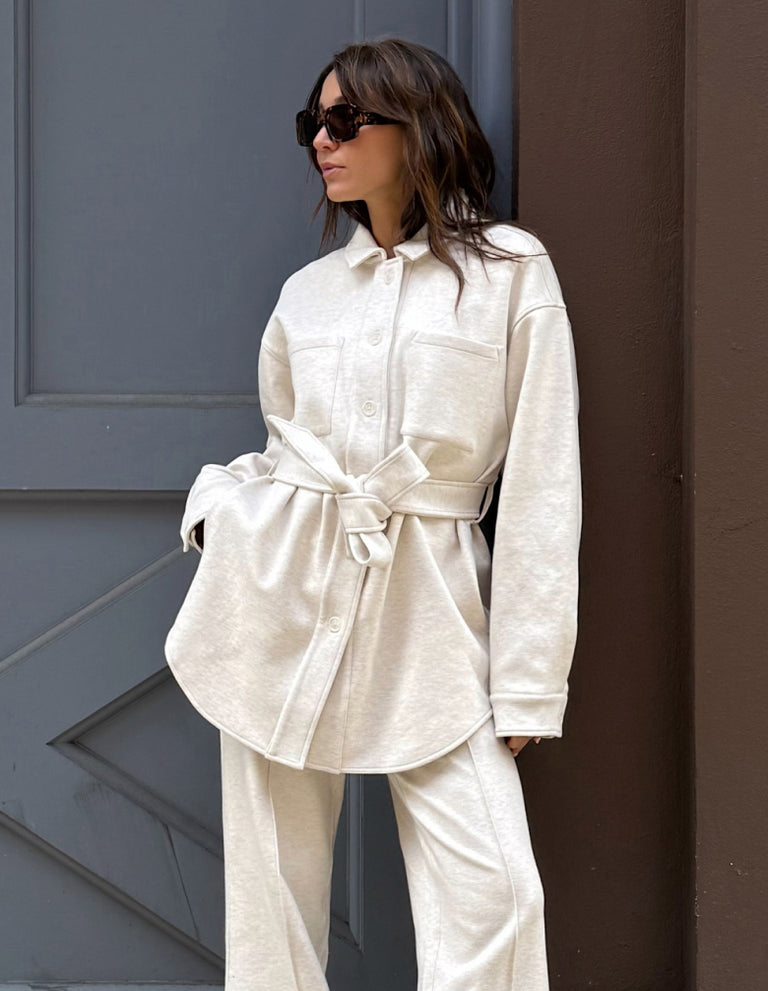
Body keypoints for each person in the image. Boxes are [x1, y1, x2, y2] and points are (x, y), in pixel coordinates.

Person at [165, 36, 582, 991]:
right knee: (269, 899)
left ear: (419, 125)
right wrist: (225, 514)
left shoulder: (512, 273)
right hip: (278, 596)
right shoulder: (307, 296)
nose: (323, 138)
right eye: (312, 122)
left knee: (497, 896)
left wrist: (528, 679)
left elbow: (544, 481)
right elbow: (282, 444)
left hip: (431, 608)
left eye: (346, 119)